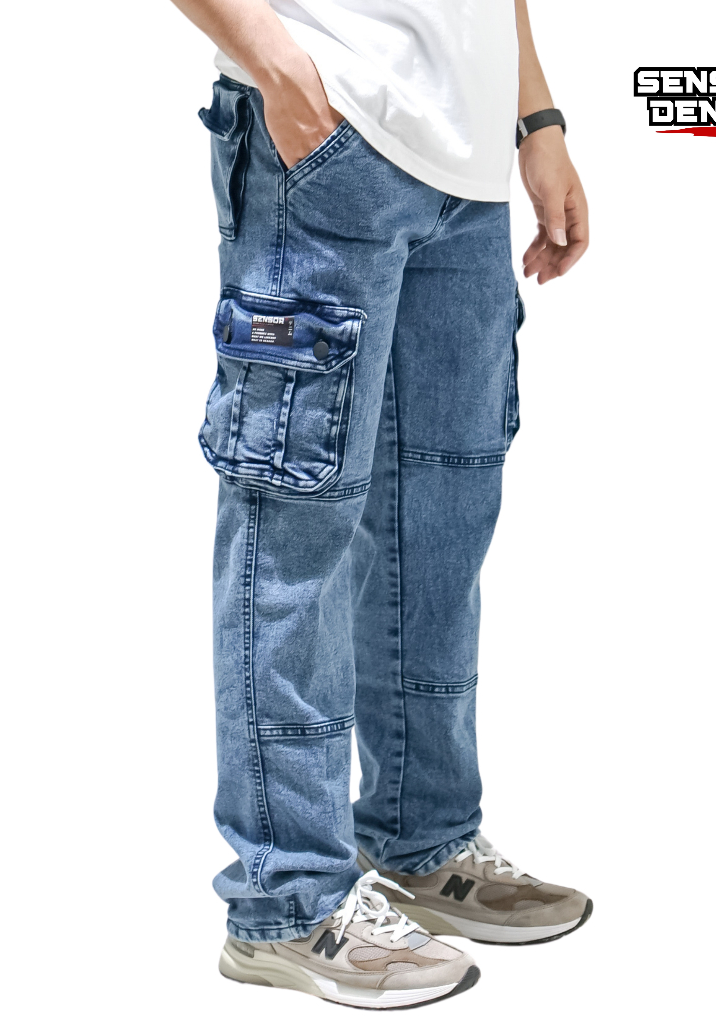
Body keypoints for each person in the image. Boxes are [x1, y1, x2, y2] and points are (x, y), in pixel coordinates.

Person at [168, 0, 591, 1008]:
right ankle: (287, 900)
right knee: (294, 524)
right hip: (326, 135)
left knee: (441, 518)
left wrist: (536, 119)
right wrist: (277, 67)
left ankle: (422, 835)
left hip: (468, 167)